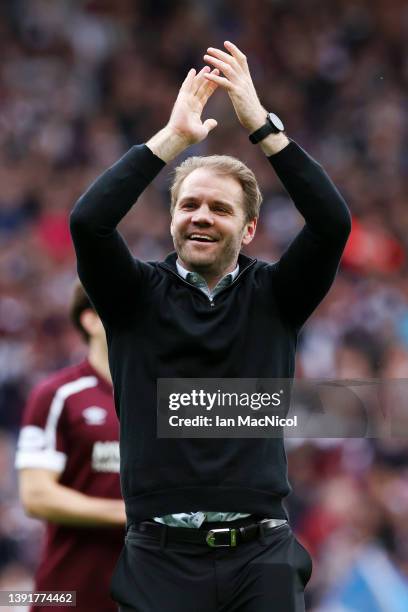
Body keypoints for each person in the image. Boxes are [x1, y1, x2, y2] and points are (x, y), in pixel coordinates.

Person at [70, 41, 351, 611]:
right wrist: (172, 140)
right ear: (172, 219)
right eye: (189, 205)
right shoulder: (133, 298)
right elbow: (90, 223)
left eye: (220, 209)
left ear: (248, 231)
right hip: (157, 558)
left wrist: (262, 126)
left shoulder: (276, 296)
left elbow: (331, 223)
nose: (202, 215)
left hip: (260, 558)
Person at [15, 282, 126, 612]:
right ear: (90, 320)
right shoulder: (57, 395)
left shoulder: (169, 399)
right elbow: (36, 495)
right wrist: (128, 513)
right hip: (70, 593)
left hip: (150, 592)